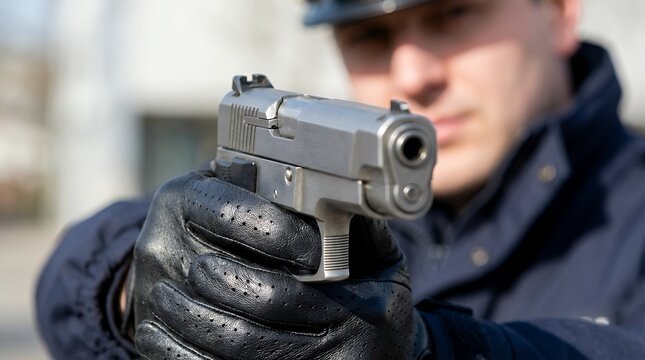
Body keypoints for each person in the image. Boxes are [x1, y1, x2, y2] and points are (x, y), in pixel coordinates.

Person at [37, 0, 645, 358]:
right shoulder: (337, 168)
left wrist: (435, 349)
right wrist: (143, 285)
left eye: (454, 13)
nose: (411, 72)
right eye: (369, 37)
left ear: (561, 13)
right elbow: (67, 270)